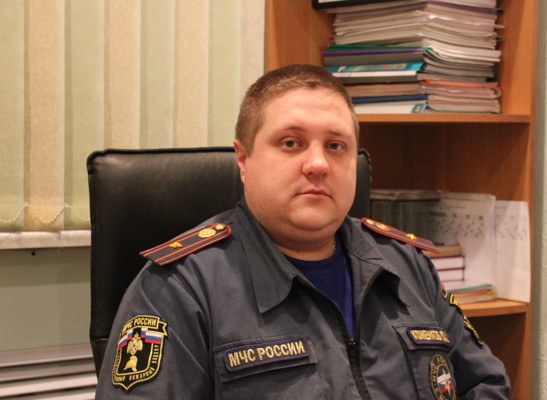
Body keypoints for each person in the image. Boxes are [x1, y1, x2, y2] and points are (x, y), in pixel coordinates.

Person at [95, 64, 510, 399]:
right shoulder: (179, 287)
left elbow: (485, 384)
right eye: (291, 143)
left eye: (335, 146)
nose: (318, 164)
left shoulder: (406, 264)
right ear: (244, 159)